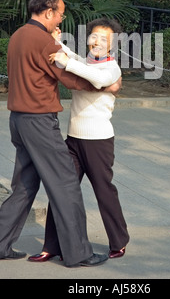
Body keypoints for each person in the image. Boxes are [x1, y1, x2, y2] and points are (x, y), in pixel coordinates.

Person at [0, 0, 120, 267]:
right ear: (48, 12)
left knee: (23, 186)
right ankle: (78, 253)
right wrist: (108, 84)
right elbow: (71, 79)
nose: (61, 18)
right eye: (60, 13)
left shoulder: (18, 35)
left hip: (18, 121)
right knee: (66, 184)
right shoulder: (43, 41)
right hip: (39, 122)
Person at [28, 18, 129, 264]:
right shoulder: (86, 62)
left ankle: (119, 241)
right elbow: (74, 58)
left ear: (113, 44)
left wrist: (67, 62)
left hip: (99, 142)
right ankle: (51, 245)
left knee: (104, 191)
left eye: (104, 39)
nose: (97, 41)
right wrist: (56, 43)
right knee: (60, 190)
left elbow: (95, 78)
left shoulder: (112, 69)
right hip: (73, 139)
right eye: (94, 36)